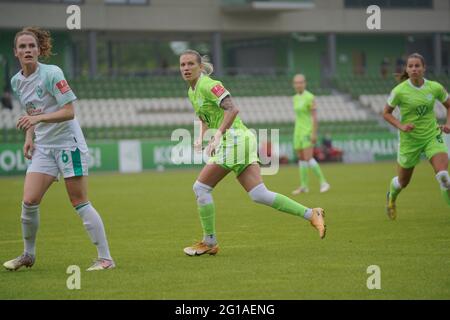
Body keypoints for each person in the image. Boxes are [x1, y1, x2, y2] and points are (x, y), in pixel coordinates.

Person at [179, 50, 326, 257]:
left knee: (201, 188)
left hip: (235, 140)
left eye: (190, 64)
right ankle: (312, 214)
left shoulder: (209, 85)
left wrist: (218, 135)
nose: (186, 68)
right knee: (259, 194)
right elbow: (205, 118)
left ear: (200, 67)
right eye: (182, 65)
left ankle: (209, 242)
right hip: (241, 140)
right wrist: (200, 136)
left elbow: (233, 109)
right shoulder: (192, 92)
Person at [3, 27, 114, 271]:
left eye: (31, 46)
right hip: (44, 147)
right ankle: (28, 255)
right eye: (22, 47)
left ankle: (105, 259)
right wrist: (29, 137)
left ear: (39, 49)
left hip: (68, 144)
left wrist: (37, 120)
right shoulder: (16, 80)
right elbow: (32, 111)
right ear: (16, 52)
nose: (27, 50)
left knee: (79, 201)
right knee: (29, 200)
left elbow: (69, 112)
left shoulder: (52, 73)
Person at [384, 53, 450, 219]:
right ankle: (391, 197)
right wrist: (401, 126)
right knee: (402, 182)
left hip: (432, 136)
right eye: (411, 66)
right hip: (409, 141)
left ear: (424, 68)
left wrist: (448, 123)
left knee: (443, 176)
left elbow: (449, 105)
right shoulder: (399, 91)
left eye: (417, 66)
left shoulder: (434, 87)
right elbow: (386, 113)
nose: (414, 69)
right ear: (406, 69)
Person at [291, 74, 330, 195]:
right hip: (297, 131)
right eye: (296, 83)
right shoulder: (295, 98)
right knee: (301, 158)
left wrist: (314, 133)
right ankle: (304, 186)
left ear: (305, 83)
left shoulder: (310, 97)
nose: (298, 84)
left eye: (301, 82)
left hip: (307, 131)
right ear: (293, 84)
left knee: (308, 158)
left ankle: (324, 182)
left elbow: (314, 117)